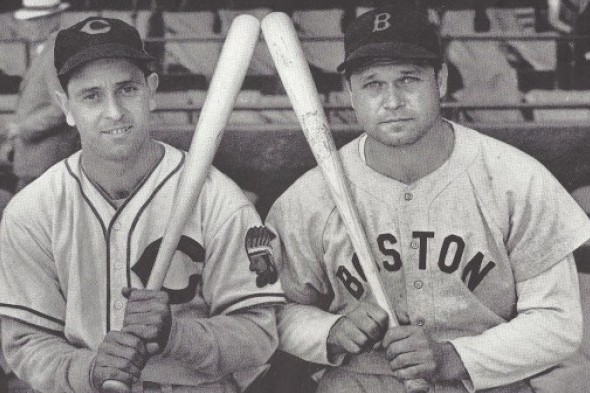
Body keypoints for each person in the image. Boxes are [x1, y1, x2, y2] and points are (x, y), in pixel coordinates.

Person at [266, 5, 590, 393]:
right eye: (373, 84)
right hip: (360, 382)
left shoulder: (516, 180)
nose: (392, 101)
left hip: (483, 382)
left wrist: (454, 356)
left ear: (440, 81)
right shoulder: (309, 196)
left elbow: (558, 323)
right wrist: (327, 331)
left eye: (408, 79)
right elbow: (269, 311)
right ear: (350, 93)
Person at [0, 16, 284, 393]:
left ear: (151, 92)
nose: (114, 111)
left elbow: (259, 335)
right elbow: (25, 344)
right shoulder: (31, 212)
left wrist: (177, 335)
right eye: (91, 96)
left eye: (127, 89)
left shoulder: (219, 199)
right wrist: (88, 368)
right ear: (64, 107)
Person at [7, 0, 81, 191]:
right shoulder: (46, 51)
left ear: (53, 20)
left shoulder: (55, 54)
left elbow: (62, 107)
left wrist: (22, 128)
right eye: (28, 21)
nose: (27, 26)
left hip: (44, 163)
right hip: (39, 162)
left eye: (35, 20)